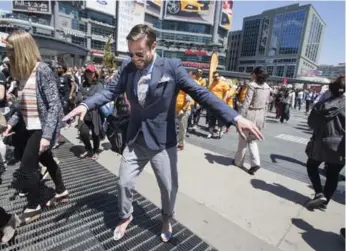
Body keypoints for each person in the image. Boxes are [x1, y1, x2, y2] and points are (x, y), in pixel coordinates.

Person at [63, 24, 263, 242]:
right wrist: (85, 105)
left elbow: (200, 93)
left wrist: (235, 117)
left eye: (139, 53)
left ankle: (167, 217)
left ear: (153, 46)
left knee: (168, 188)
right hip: (136, 138)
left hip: (163, 142)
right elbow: (111, 91)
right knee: (123, 183)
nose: (134, 58)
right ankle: (125, 216)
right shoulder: (128, 68)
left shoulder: (172, 67)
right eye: (131, 53)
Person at [3, 30, 68, 223]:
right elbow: (21, 106)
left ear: (21, 49)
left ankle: (34, 206)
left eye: (10, 50)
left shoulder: (42, 70)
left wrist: (48, 136)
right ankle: (62, 191)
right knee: (47, 159)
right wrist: (10, 125)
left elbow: (55, 104)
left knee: (26, 167)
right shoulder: (21, 74)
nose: (8, 55)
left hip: (41, 128)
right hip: (28, 127)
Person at [305, 75, 345, 210]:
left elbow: (311, 124)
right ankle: (325, 201)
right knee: (333, 174)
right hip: (342, 147)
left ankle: (319, 192)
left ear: (330, 90)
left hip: (321, 143)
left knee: (311, 166)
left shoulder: (321, 105)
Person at [234, 67, 270, 175]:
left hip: (250, 114)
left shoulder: (252, 85)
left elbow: (247, 102)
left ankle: (238, 162)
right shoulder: (267, 87)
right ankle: (255, 163)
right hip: (260, 115)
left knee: (243, 139)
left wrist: (240, 117)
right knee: (252, 140)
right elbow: (267, 104)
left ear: (255, 74)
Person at [77, 64, 104, 160]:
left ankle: (96, 151)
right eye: (87, 72)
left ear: (94, 74)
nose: (88, 74)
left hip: (95, 113)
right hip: (83, 114)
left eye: (90, 72)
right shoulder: (82, 85)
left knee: (95, 133)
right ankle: (88, 148)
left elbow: (98, 98)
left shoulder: (99, 85)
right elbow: (78, 97)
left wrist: (85, 98)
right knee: (83, 132)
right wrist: (88, 98)